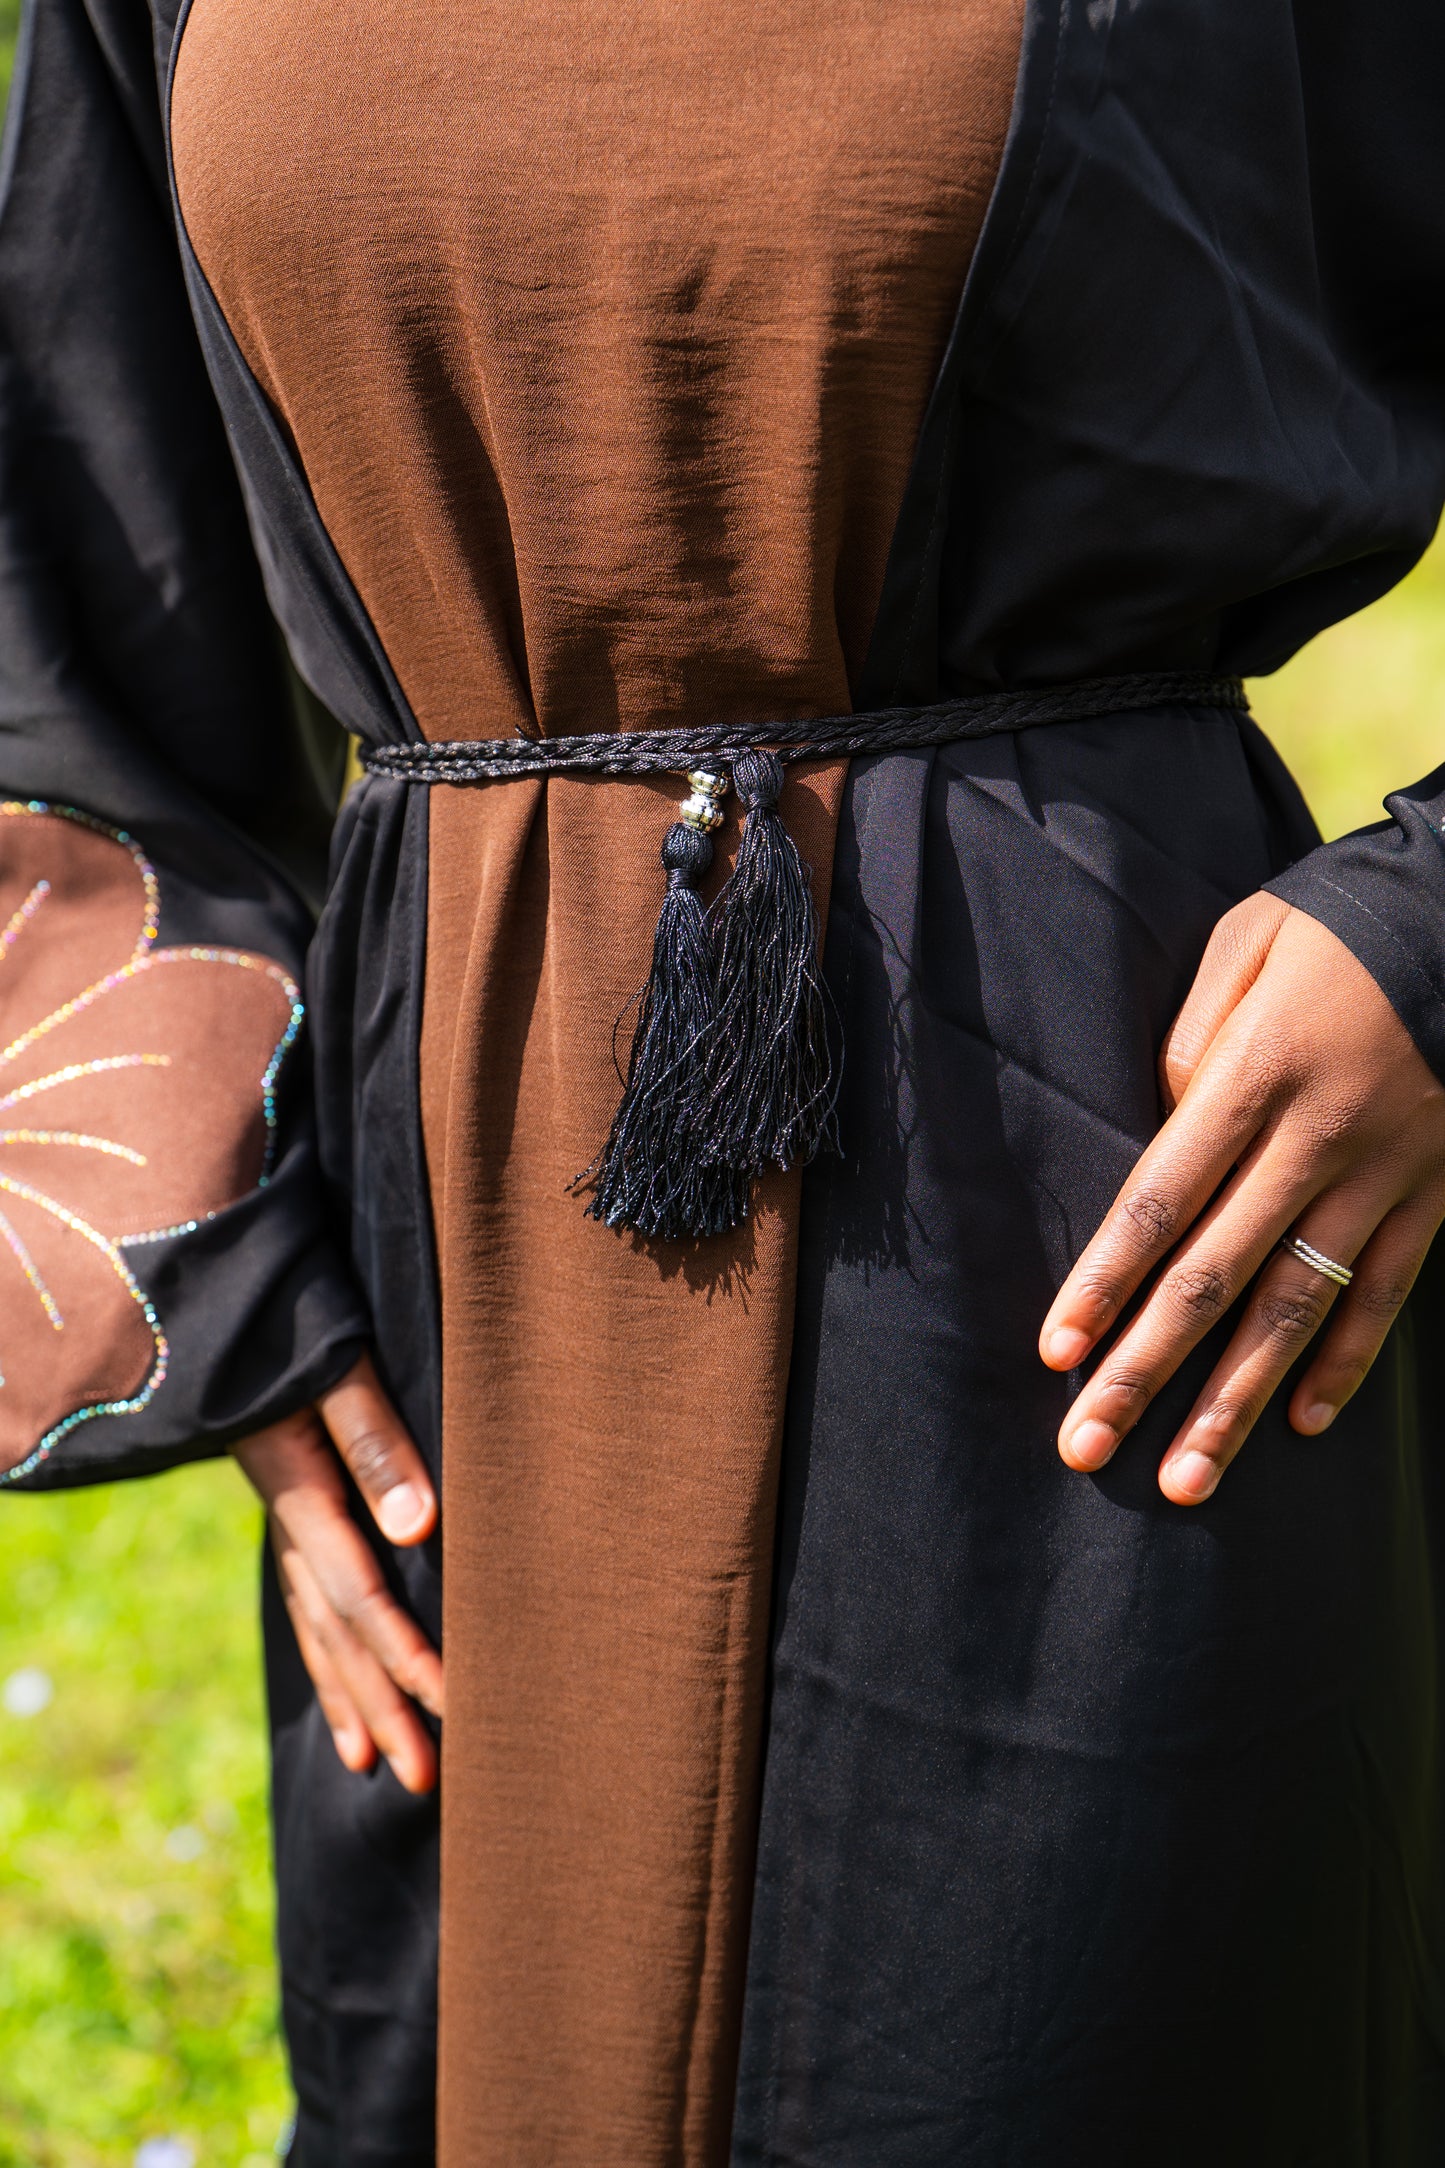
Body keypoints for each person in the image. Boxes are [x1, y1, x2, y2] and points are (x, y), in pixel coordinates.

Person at [3, 0, 1445, 2160]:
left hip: (1120, 1254)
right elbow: (70, 615)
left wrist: (1436, 941)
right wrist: (201, 1251)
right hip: (461, 1286)